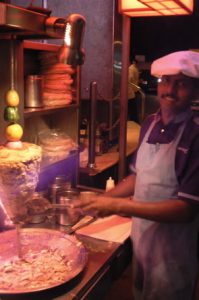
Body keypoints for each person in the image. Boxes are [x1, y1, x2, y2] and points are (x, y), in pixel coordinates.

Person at [75, 50, 199, 300]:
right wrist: (100, 200)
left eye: (182, 84)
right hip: (143, 241)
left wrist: (117, 204)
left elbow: (186, 209)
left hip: (172, 251)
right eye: (166, 81)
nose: (170, 90)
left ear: (196, 92)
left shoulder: (195, 135)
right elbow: (136, 177)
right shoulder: (149, 123)